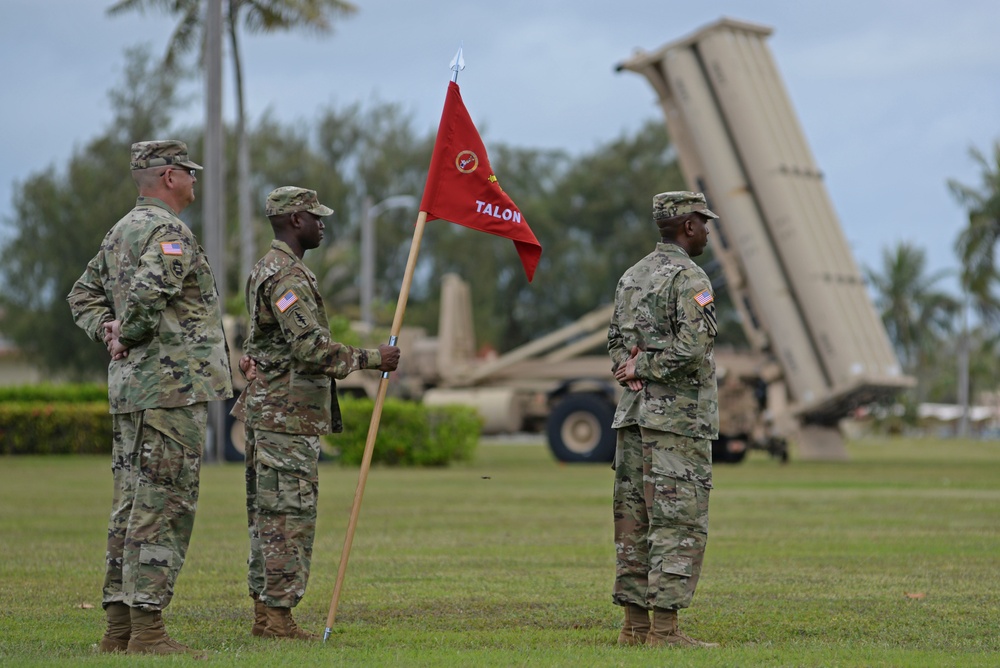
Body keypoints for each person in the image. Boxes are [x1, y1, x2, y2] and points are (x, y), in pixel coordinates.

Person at [67, 140, 233, 655]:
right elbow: (146, 296)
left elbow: (82, 296)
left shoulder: (121, 231)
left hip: (134, 392)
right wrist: (125, 333)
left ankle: (118, 632)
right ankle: (148, 633)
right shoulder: (168, 232)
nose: (194, 180)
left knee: (131, 505)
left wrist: (108, 333)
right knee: (163, 505)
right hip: (168, 391)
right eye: (188, 172)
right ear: (168, 177)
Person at [230, 186, 401, 640]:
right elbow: (310, 348)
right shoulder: (286, 275)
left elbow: (258, 343)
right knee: (289, 516)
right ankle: (279, 618)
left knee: (268, 517)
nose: (323, 224)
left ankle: (266, 616)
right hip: (285, 417)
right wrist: (372, 358)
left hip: (273, 413)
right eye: (315, 217)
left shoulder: (268, 268)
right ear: (294, 221)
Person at [607, 190, 721, 648]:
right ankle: (665, 633)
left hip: (633, 417)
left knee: (633, 523)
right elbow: (695, 346)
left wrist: (629, 370)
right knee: (677, 523)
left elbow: (616, 339)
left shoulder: (631, 276)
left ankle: (634, 629)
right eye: (704, 221)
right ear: (688, 226)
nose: (708, 230)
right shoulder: (690, 277)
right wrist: (645, 368)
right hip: (676, 424)